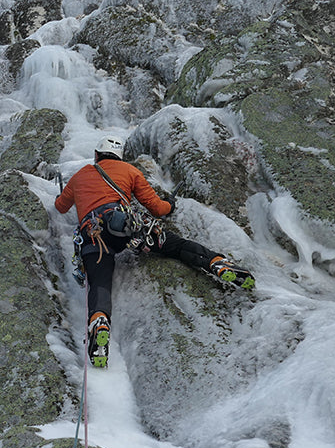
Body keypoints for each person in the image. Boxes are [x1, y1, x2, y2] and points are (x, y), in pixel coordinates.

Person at [55, 135, 255, 367]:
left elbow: (61, 206)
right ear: (120, 156)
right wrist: (170, 203)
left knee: (100, 282)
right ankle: (216, 263)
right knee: (176, 246)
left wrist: (66, 195)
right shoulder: (130, 171)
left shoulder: (80, 175)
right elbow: (157, 208)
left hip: (94, 236)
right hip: (126, 228)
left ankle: (99, 322)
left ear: (97, 155)